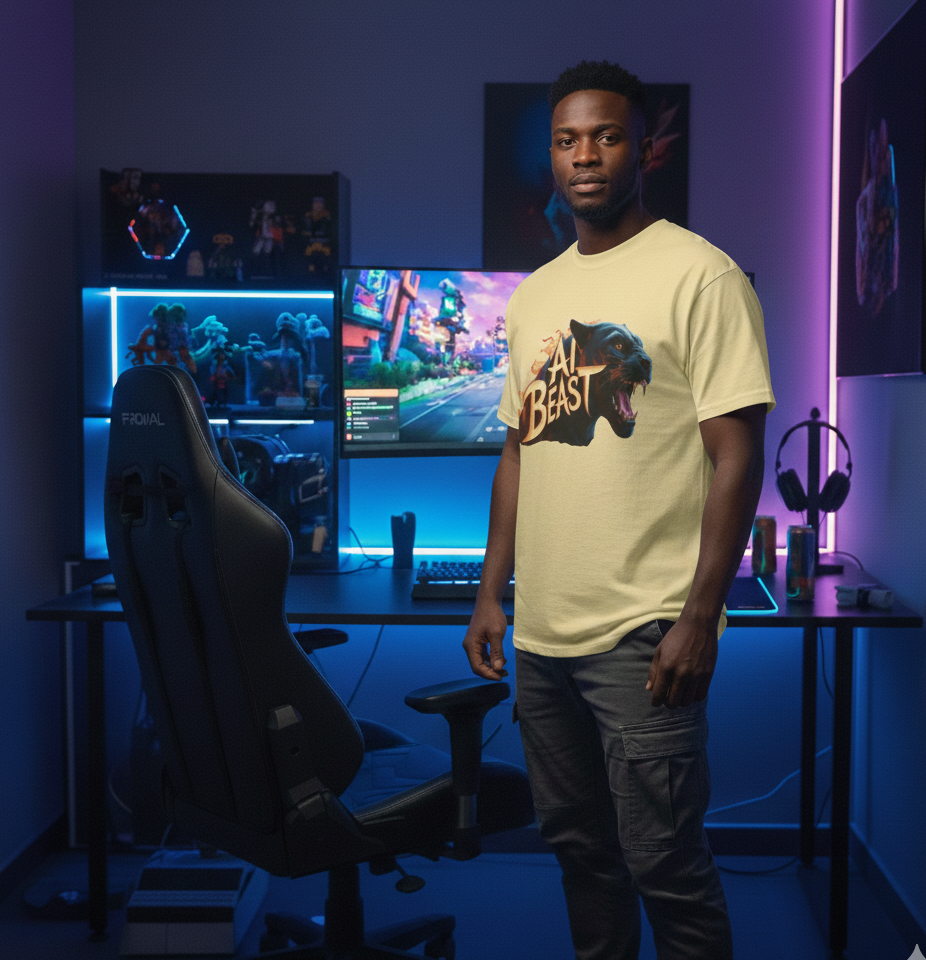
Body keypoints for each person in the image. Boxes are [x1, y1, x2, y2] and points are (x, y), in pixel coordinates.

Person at [463, 59, 775, 960]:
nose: (585, 156)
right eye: (567, 141)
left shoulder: (701, 276)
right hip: (542, 638)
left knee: (666, 869)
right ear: (552, 160)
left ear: (643, 149)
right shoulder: (534, 297)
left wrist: (701, 617)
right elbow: (518, 451)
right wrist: (493, 594)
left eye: (605, 137)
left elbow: (737, 454)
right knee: (581, 860)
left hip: (644, 634)